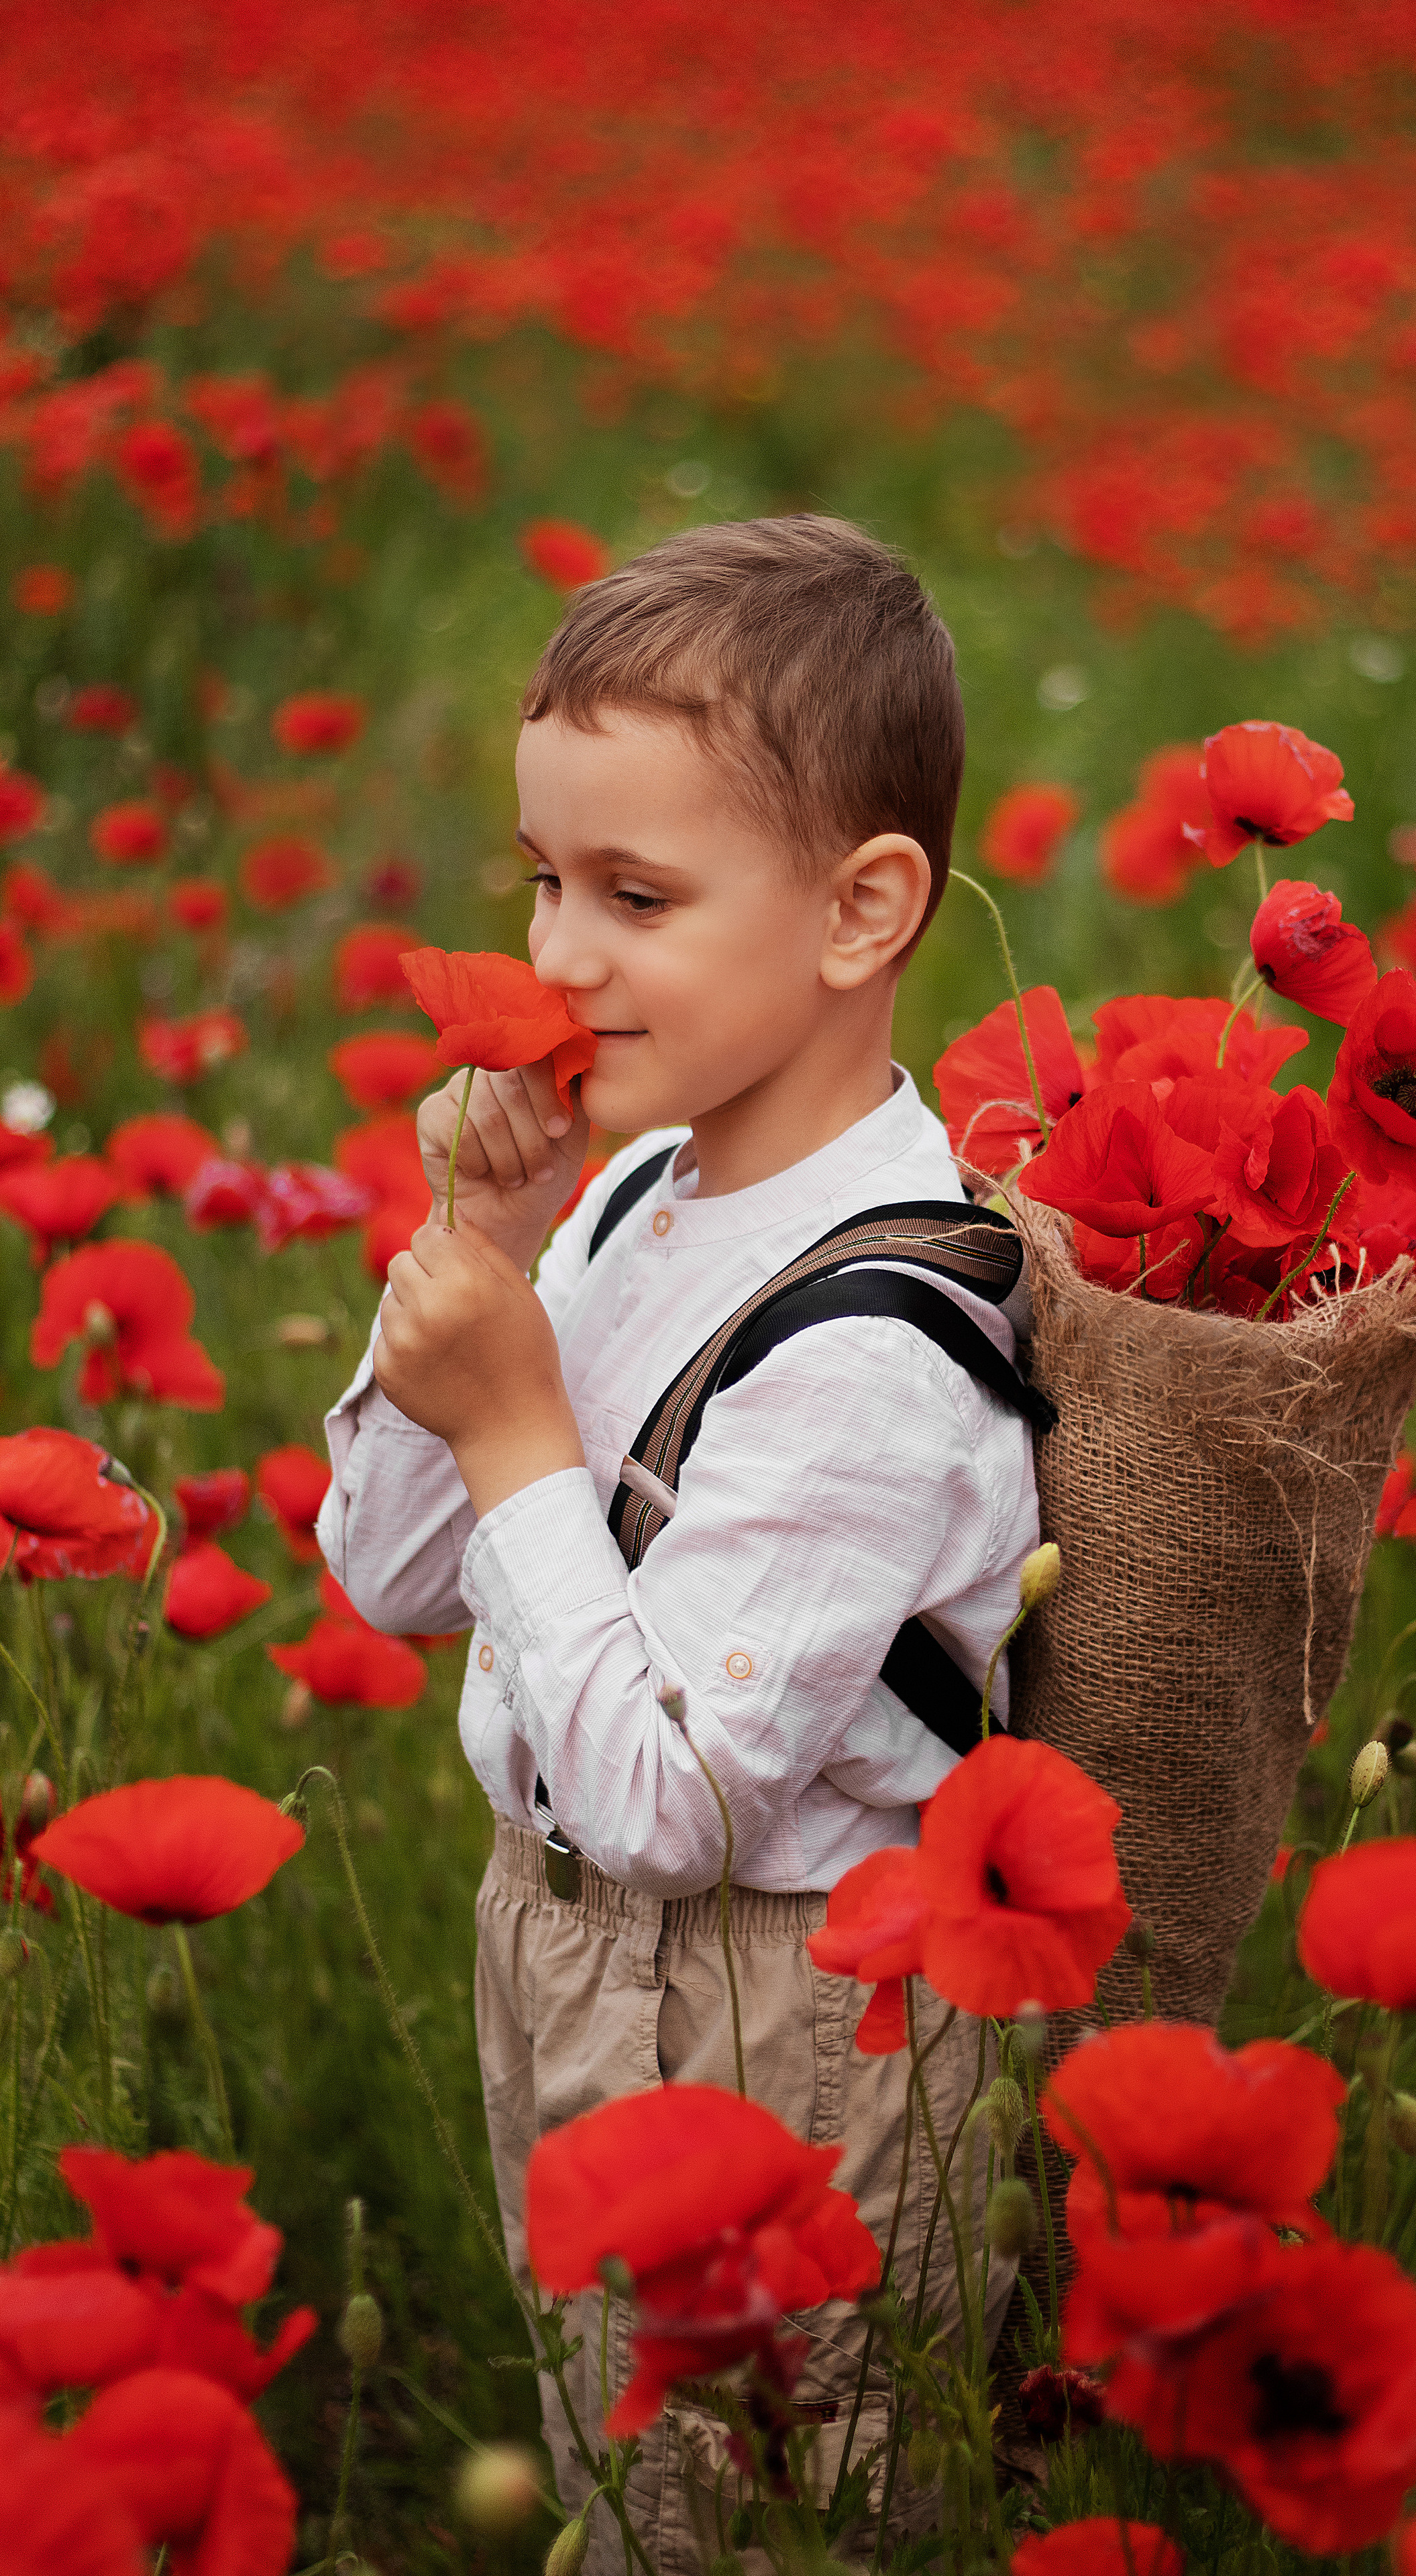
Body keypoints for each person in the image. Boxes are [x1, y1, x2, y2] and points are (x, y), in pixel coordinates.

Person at [317, 515, 1040, 2569]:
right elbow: (385, 1579)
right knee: (625, 2474)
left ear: (858, 910)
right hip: (561, 1963)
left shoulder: (879, 1335)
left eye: (635, 895)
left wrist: (525, 1421)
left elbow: (674, 1798)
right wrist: (488, 1255)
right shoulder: (637, 1199)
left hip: (771, 2020)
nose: (554, 958)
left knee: (767, 2510)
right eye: (544, 880)